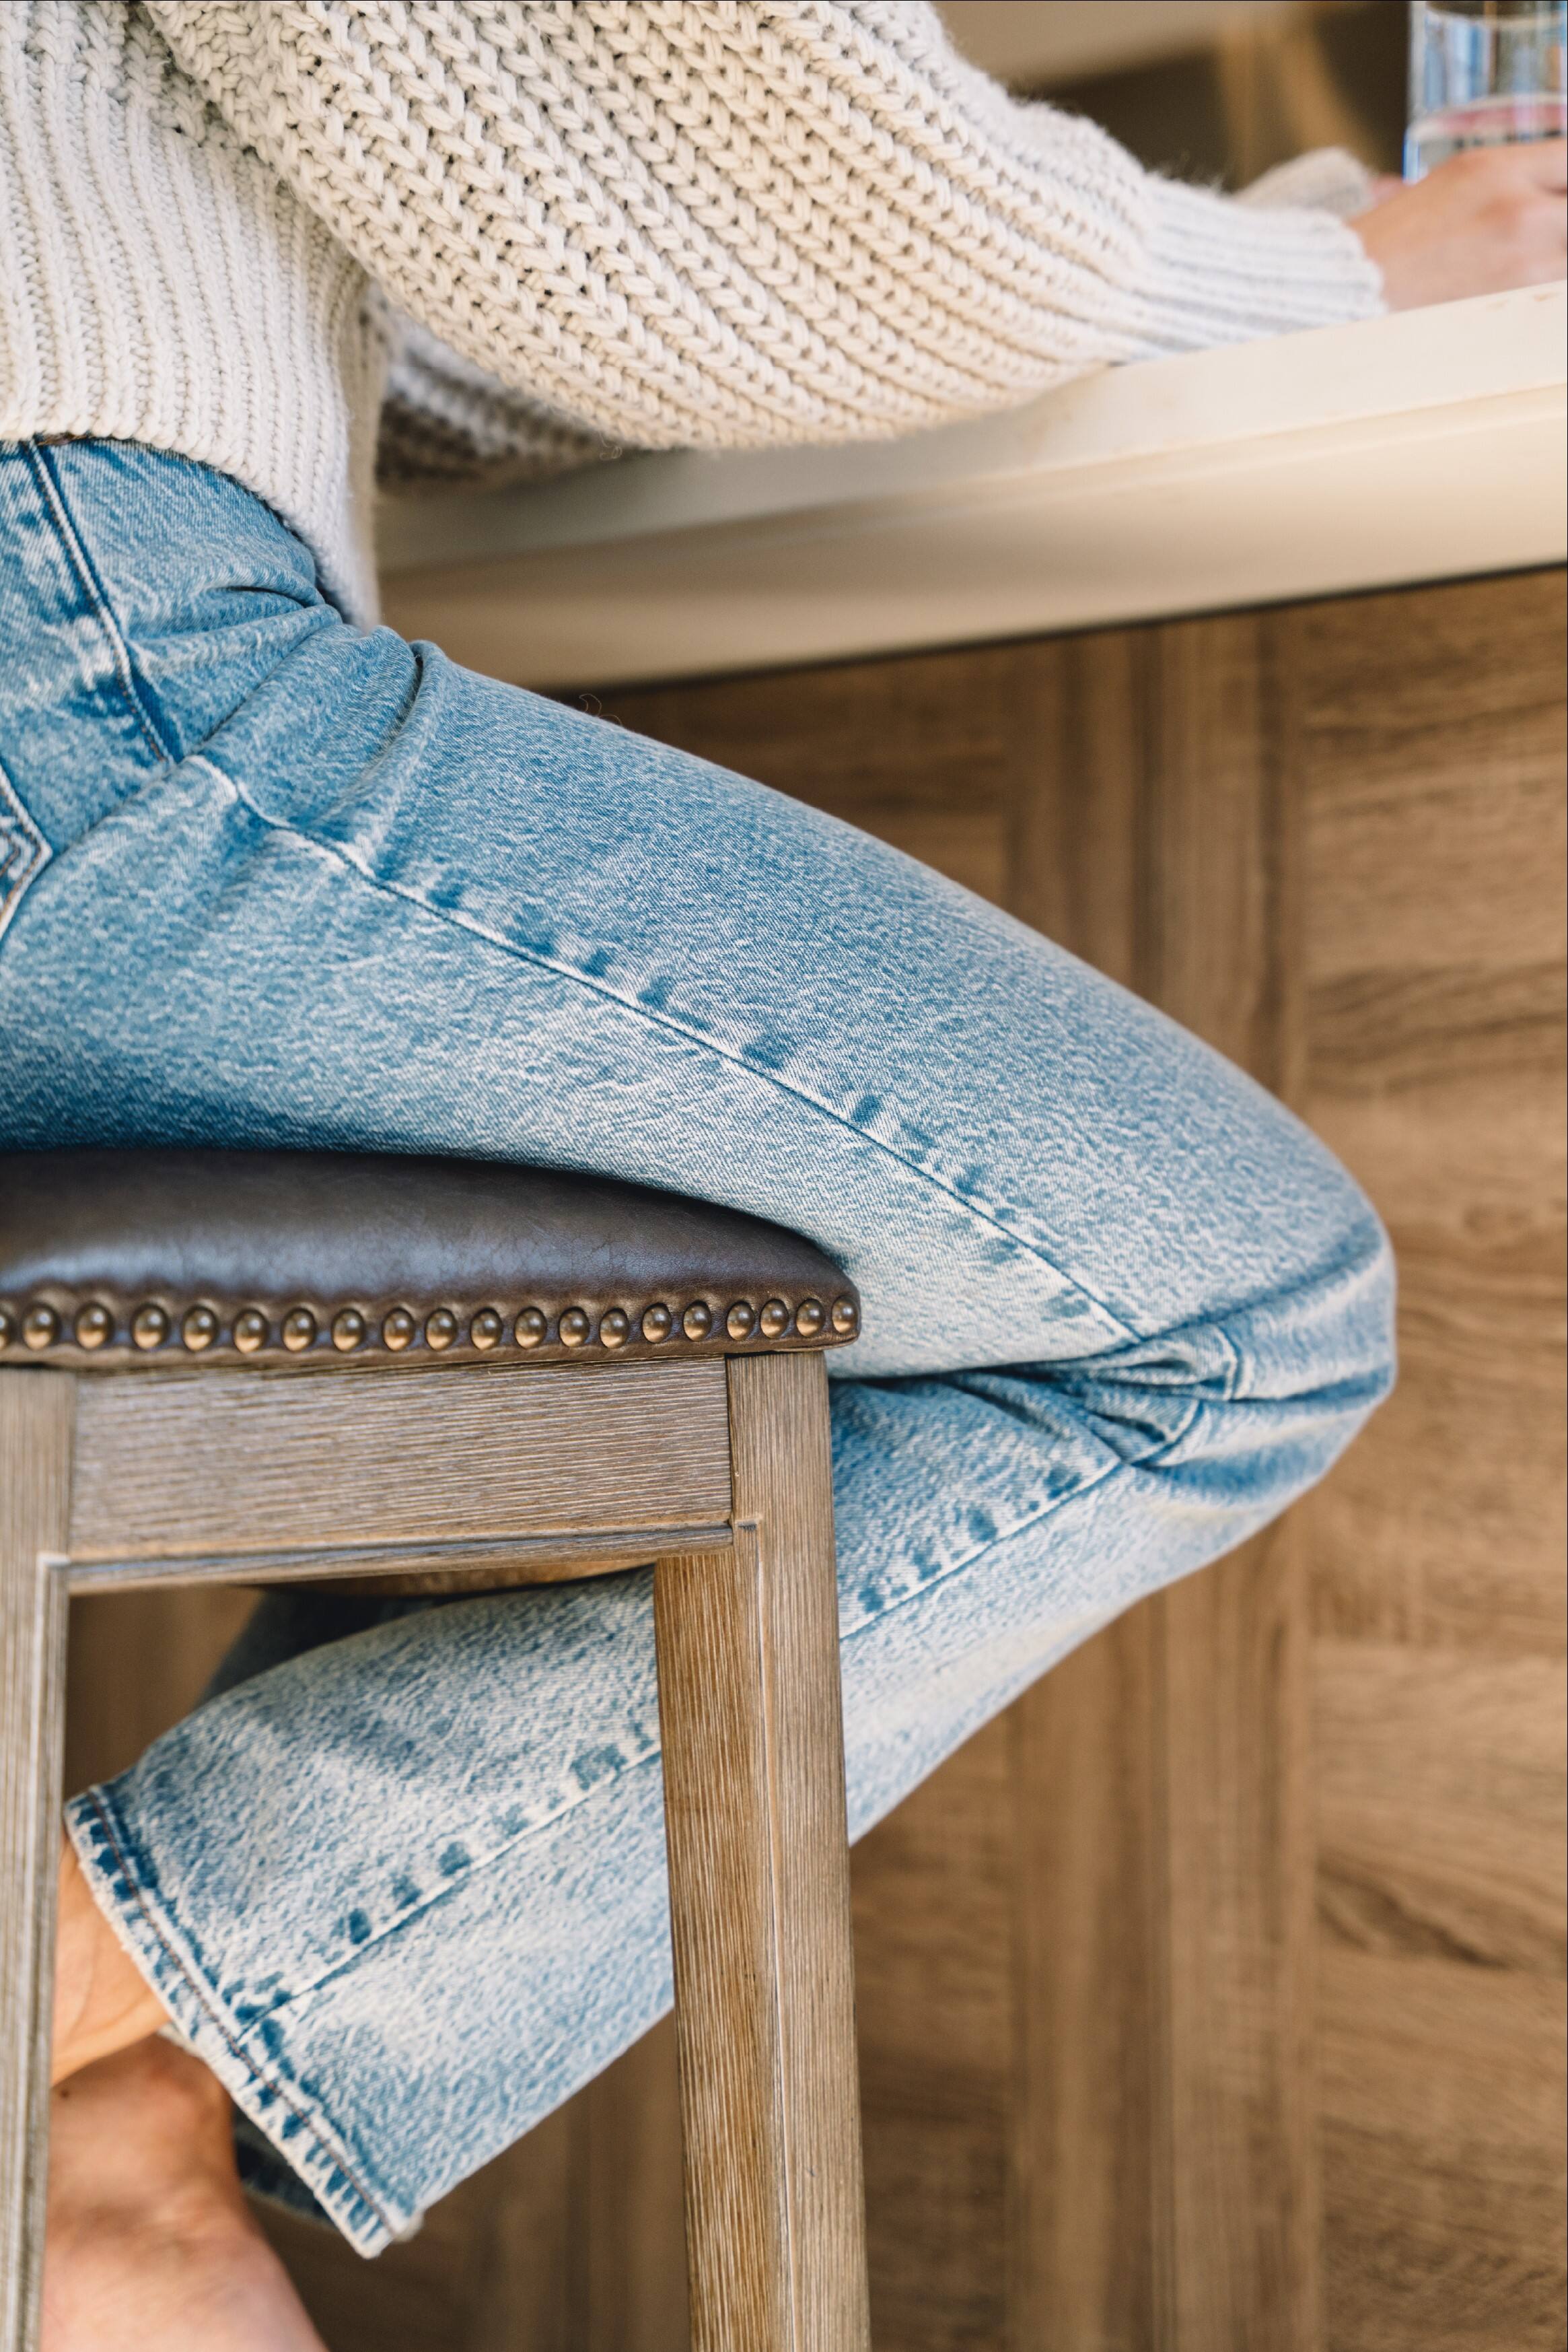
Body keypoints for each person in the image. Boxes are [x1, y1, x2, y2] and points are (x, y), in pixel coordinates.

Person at [1, 6, 1561, 2347]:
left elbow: (490, 272)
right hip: (75, 674)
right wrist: (1325, 281)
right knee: (1221, 1315)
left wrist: (1254, 258)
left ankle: (109, 2151)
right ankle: (60, 1996)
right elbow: (623, 110)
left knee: (596, 1378)